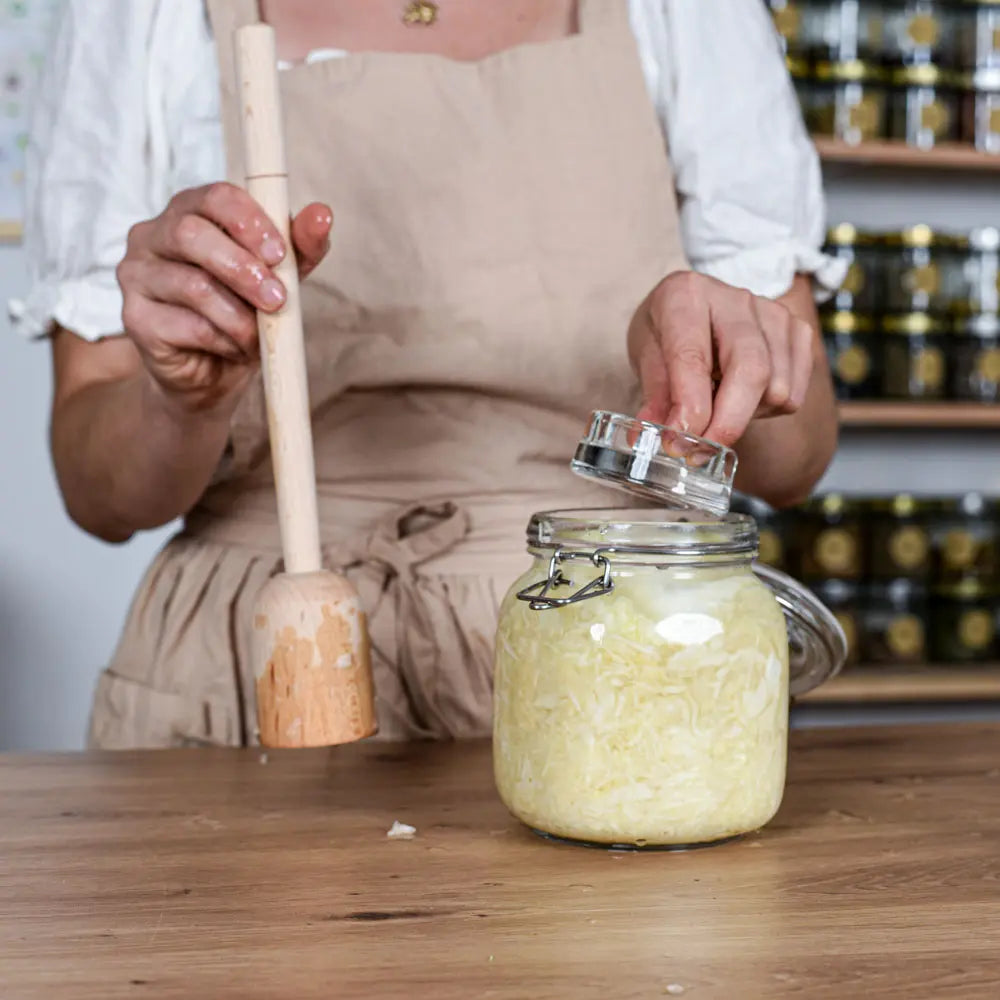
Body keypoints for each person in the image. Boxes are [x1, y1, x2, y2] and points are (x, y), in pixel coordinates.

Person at [14, 0, 845, 747]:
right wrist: (184, 401)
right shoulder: (133, 14)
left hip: (596, 650)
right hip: (246, 658)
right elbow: (99, 496)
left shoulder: (692, 14)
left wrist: (724, 368)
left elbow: (794, 464)